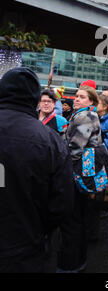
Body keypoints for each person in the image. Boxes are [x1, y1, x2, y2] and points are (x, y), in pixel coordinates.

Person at [0, 67, 74, 273]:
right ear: (35, 99)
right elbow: (63, 201)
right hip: (25, 246)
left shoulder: (51, 139)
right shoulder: (50, 141)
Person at [56, 85, 101, 273]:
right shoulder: (83, 114)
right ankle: (78, 260)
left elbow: (75, 149)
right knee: (79, 219)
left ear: (91, 101)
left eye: (82, 97)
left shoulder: (86, 116)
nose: (76, 99)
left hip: (78, 173)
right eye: (76, 96)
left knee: (73, 219)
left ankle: (71, 264)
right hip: (81, 172)